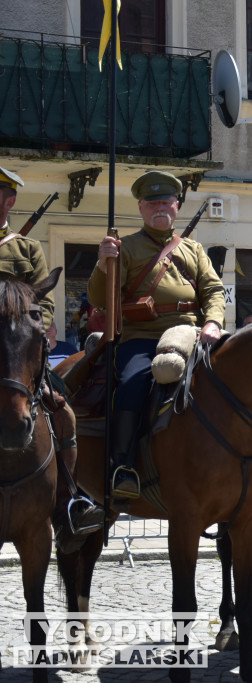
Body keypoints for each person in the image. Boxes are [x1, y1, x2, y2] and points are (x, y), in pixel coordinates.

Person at [89, 170, 226, 498]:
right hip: (142, 337)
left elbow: (213, 290)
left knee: (236, 379)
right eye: (153, 203)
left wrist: (213, 323)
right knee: (133, 382)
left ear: (176, 206)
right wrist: (102, 265)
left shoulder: (193, 249)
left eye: (166, 201)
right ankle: (122, 465)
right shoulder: (126, 248)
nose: (160, 207)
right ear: (141, 208)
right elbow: (98, 299)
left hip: (193, 335)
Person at [0, 166, 104, 541]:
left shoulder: (27, 249)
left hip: (17, 355)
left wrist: (38, 330)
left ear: (9, 200)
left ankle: (69, 502)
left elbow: (42, 305)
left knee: (64, 415)